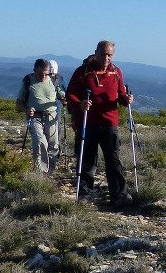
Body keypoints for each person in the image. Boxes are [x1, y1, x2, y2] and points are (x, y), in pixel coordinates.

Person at [64, 41, 134, 206]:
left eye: (110, 55)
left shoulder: (116, 72)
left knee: (113, 159)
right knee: (87, 159)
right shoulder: (83, 72)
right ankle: (84, 194)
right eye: (103, 54)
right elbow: (70, 95)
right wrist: (80, 104)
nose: (106, 58)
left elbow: (121, 94)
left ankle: (119, 195)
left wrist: (126, 99)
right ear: (96, 53)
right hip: (87, 122)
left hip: (109, 122)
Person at [16, 58, 63, 173]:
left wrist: (64, 98)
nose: (43, 76)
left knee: (53, 145)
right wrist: (27, 110)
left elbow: (61, 94)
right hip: (35, 116)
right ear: (35, 70)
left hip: (51, 116)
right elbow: (18, 103)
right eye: (41, 73)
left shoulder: (53, 80)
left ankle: (49, 171)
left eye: (46, 73)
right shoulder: (28, 81)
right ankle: (40, 172)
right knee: (40, 142)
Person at [48, 59, 68, 154]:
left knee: (57, 130)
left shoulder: (60, 79)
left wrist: (64, 99)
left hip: (56, 109)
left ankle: (57, 150)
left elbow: (66, 92)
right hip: (50, 109)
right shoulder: (60, 79)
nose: (51, 76)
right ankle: (51, 149)